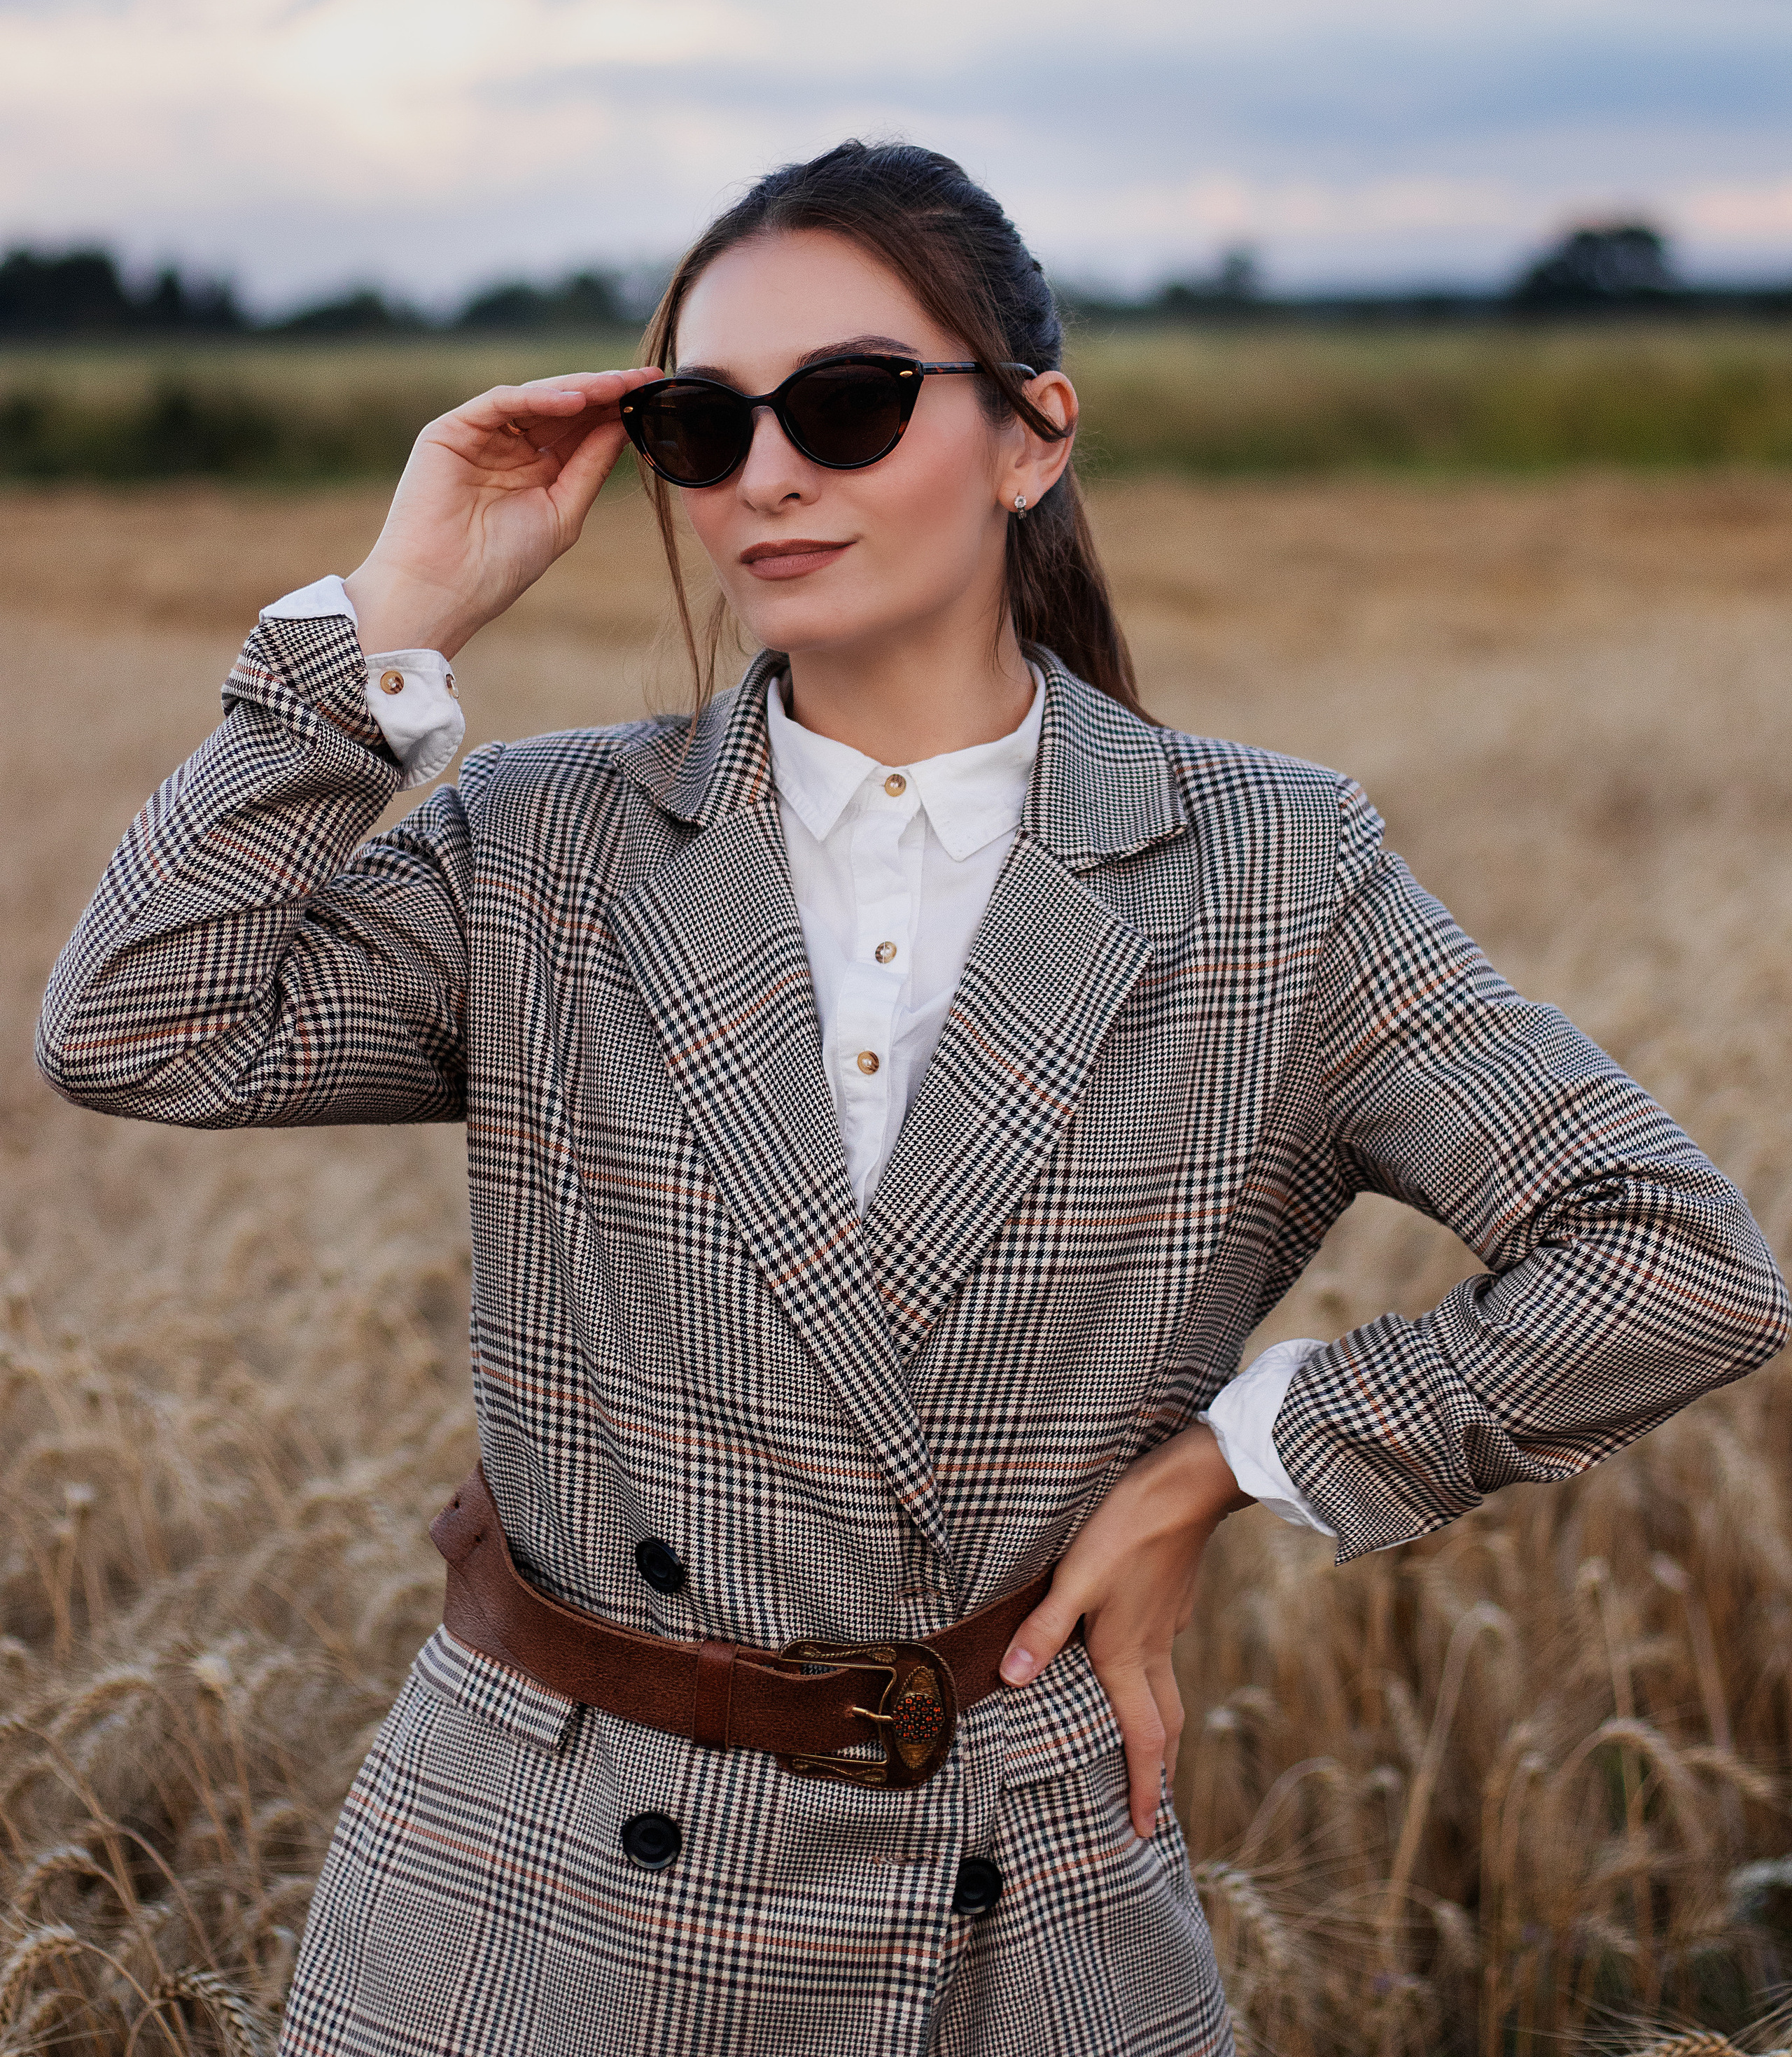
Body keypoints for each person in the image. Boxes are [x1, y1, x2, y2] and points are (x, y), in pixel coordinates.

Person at [39, 141, 1789, 2057]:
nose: (771, 472)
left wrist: (1233, 1462)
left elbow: (1680, 1255)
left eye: (850, 405)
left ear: (1033, 436)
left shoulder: (1273, 876)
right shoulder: (546, 845)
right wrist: (403, 608)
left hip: (1015, 1913)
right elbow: (143, 1017)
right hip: (520, 1907)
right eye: (706, 426)